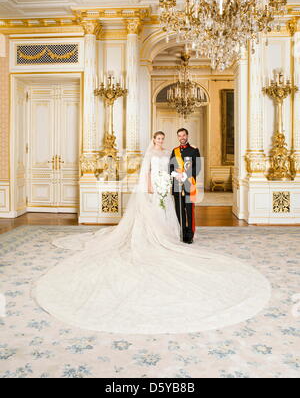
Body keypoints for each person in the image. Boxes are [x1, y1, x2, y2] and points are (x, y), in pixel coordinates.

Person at [34, 131, 271, 335]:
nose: (160, 140)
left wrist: (175, 177)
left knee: (169, 212)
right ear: (153, 139)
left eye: (162, 137)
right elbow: (146, 171)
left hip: (166, 185)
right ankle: (155, 235)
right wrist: (149, 186)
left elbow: (173, 168)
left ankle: (171, 235)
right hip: (153, 185)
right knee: (154, 214)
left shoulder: (169, 151)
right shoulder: (151, 153)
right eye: (158, 137)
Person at [170, 128, 201, 244]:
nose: (182, 137)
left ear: (187, 136)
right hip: (177, 185)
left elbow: (197, 168)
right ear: (178, 137)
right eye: (179, 136)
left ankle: (190, 234)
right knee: (179, 210)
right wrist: (174, 174)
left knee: (189, 210)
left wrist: (184, 175)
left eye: (183, 135)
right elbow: (170, 167)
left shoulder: (194, 150)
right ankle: (182, 232)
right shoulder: (175, 151)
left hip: (189, 185)